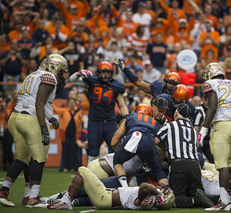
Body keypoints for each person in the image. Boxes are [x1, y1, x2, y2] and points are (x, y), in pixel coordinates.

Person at [0, 54, 68, 208]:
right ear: (54, 66)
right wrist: (44, 128)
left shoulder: (34, 75)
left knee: (23, 159)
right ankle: (33, 197)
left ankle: (8, 192)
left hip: (18, 116)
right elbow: (39, 103)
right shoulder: (49, 78)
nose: (64, 74)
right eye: (62, 70)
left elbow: (37, 101)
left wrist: (50, 118)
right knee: (39, 158)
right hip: (29, 118)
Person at [197, 62, 231, 211]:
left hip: (221, 126)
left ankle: (224, 202)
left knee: (222, 167)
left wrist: (203, 130)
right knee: (227, 167)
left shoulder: (210, 83)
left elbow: (213, 107)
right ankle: (227, 200)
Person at [156, 103, 214, 208]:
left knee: (173, 199)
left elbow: (155, 141)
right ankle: (218, 198)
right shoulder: (192, 129)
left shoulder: (170, 125)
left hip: (179, 165)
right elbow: (196, 149)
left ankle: (194, 200)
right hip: (195, 166)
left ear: (176, 114)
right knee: (195, 192)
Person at [69, 62, 128, 164]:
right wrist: (80, 73)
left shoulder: (116, 86)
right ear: (98, 73)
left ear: (111, 73)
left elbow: (122, 105)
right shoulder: (91, 82)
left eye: (107, 72)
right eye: (103, 72)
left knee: (117, 150)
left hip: (109, 122)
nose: (105, 75)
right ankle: (91, 177)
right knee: (93, 153)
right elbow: (72, 80)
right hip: (94, 122)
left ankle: (117, 174)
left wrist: (127, 119)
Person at [47, 166, 175, 210]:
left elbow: (143, 187)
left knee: (82, 170)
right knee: (85, 182)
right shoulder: (150, 202)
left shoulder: (149, 199)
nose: (163, 189)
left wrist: (157, 194)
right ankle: (65, 200)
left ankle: (66, 201)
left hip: (104, 197)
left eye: (165, 192)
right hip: (106, 198)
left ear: (161, 199)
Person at [111, 104, 169, 188]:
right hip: (149, 142)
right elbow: (161, 145)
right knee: (158, 170)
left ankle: (125, 188)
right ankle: (167, 193)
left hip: (133, 138)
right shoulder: (155, 123)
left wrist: (119, 151)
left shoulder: (130, 116)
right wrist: (160, 158)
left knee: (117, 161)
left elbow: (114, 141)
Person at [113, 57, 181, 103]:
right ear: (165, 82)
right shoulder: (158, 86)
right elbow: (138, 82)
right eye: (170, 83)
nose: (171, 86)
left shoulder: (180, 96)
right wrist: (125, 69)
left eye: (174, 84)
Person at [193, 95, 215, 164]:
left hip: (208, 140)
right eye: (206, 100)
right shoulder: (199, 110)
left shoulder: (215, 109)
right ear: (203, 99)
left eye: (210, 100)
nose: (207, 102)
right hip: (198, 140)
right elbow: (195, 128)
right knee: (199, 160)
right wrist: (195, 144)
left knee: (215, 161)